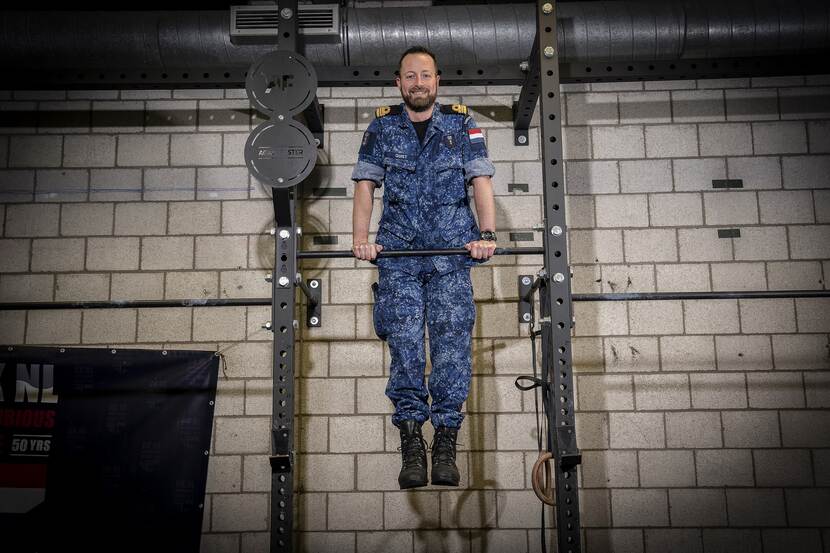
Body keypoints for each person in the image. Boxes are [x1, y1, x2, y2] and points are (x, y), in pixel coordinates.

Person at [350, 45, 497, 489]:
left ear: (438, 82)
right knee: (407, 350)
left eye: (426, 76)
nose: (419, 83)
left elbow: (481, 182)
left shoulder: (462, 123)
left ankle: (447, 440)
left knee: (452, 349)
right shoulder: (382, 127)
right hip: (398, 256)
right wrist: (361, 240)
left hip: (452, 255)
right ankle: (412, 442)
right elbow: (364, 186)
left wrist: (486, 236)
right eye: (410, 76)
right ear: (399, 82)